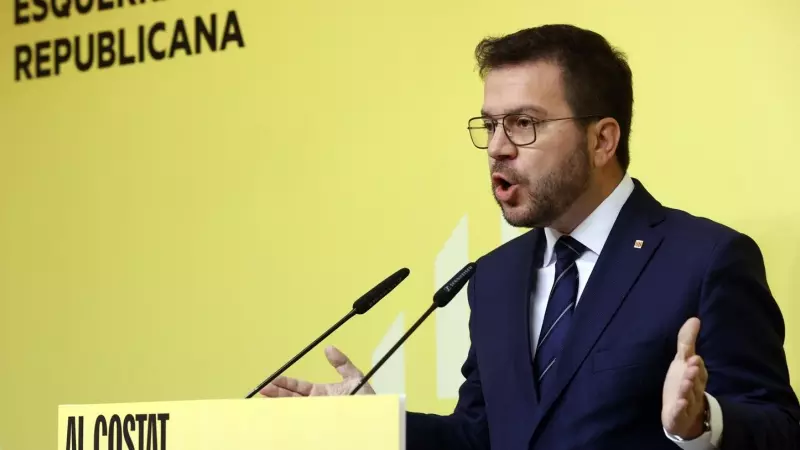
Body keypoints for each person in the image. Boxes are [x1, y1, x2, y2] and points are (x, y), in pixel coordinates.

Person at [261, 24, 800, 449]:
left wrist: (704, 422)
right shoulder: (495, 277)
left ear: (602, 139)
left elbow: (780, 429)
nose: (497, 146)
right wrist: (376, 427)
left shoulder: (704, 259)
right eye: (490, 124)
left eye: (523, 123)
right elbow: (480, 438)